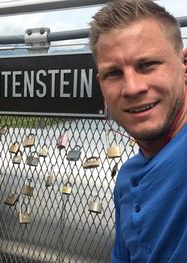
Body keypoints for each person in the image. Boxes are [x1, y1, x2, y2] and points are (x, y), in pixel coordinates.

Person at [88, 0, 187, 262]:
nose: (132, 88)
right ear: (101, 84)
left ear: (184, 63)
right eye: (113, 74)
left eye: (147, 65)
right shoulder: (127, 178)